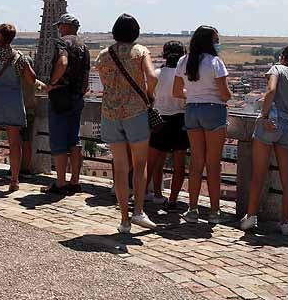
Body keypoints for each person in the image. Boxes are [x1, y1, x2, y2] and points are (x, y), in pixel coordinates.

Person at [240, 46, 288, 236]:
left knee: (259, 173)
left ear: (283, 58)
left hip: (271, 122)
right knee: (287, 177)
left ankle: (250, 217)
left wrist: (264, 116)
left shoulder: (277, 69)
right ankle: (285, 223)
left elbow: (271, 90)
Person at [96, 14, 159, 233]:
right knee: (139, 164)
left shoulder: (103, 55)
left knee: (120, 168)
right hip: (135, 113)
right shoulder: (140, 52)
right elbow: (152, 77)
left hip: (110, 113)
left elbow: (105, 83)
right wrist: (149, 95)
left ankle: (124, 220)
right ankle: (138, 211)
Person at [0, 23, 44, 192]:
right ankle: (14, 181)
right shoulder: (19, 56)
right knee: (15, 143)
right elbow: (32, 79)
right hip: (13, 101)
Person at [174, 25, 232, 224]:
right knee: (213, 164)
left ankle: (192, 209)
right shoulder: (215, 62)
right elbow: (225, 94)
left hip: (192, 111)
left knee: (196, 163)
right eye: (216, 39)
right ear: (210, 42)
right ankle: (214, 211)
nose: (218, 43)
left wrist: (193, 95)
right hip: (213, 110)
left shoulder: (184, 61)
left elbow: (176, 91)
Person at [42, 14, 91, 197]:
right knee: (74, 139)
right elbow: (86, 74)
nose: (58, 29)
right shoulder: (83, 46)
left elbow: (62, 62)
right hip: (77, 96)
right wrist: (80, 91)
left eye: (60, 25)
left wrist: (52, 83)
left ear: (67, 26)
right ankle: (75, 182)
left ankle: (61, 183)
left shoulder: (62, 43)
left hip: (60, 96)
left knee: (59, 141)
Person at [146, 41, 189, 210]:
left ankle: (142, 196)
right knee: (179, 165)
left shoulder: (156, 74)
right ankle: (172, 200)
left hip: (159, 121)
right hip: (180, 120)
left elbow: (149, 97)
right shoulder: (184, 76)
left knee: (151, 163)